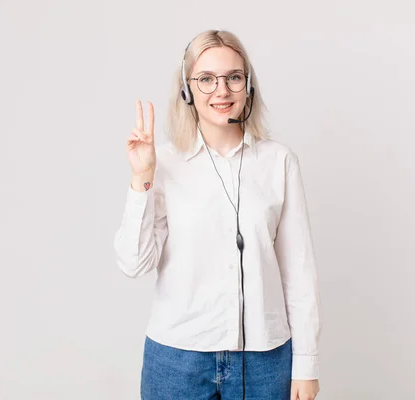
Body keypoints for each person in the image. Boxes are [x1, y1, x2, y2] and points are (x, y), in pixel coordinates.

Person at [114, 29, 322, 400]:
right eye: (206, 79)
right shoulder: (164, 164)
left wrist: (306, 363)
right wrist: (142, 177)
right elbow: (133, 263)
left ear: (248, 87)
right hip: (178, 359)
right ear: (187, 89)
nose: (221, 91)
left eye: (233, 78)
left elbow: (298, 273)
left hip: (265, 361)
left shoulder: (279, 162)